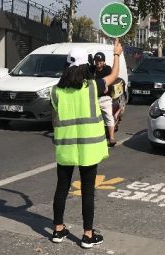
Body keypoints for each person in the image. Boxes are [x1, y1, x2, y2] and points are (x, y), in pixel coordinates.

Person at [49, 39, 123, 249]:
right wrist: (116, 54)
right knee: (87, 190)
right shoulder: (91, 87)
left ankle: (58, 229)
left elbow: (55, 118)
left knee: (61, 188)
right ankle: (87, 235)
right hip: (88, 149)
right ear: (85, 65)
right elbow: (114, 76)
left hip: (65, 149)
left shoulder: (56, 91)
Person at [92, 52, 116, 147]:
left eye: (100, 61)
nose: (98, 63)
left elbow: (110, 79)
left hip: (105, 98)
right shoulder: (91, 70)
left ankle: (112, 137)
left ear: (104, 61)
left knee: (108, 117)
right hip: (93, 97)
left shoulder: (107, 69)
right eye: (96, 61)